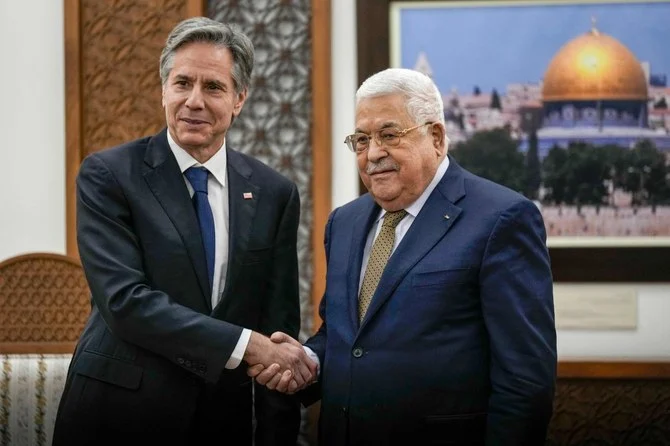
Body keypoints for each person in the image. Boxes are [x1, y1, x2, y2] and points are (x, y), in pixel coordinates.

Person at [250, 68, 557, 446]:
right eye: (361, 140)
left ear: (437, 137)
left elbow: (525, 380)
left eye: (390, 135)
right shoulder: (344, 223)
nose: (373, 153)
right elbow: (346, 337)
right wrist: (309, 362)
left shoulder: (502, 219)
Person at [53, 17, 316, 446]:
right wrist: (246, 346)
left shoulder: (274, 192)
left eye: (212, 87)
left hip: (219, 421)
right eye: (182, 84)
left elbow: (278, 327)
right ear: (163, 91)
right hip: (117, 416)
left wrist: (277, 436)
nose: (194, 101)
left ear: (239, 99)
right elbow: (124, 302)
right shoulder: (109, 175)